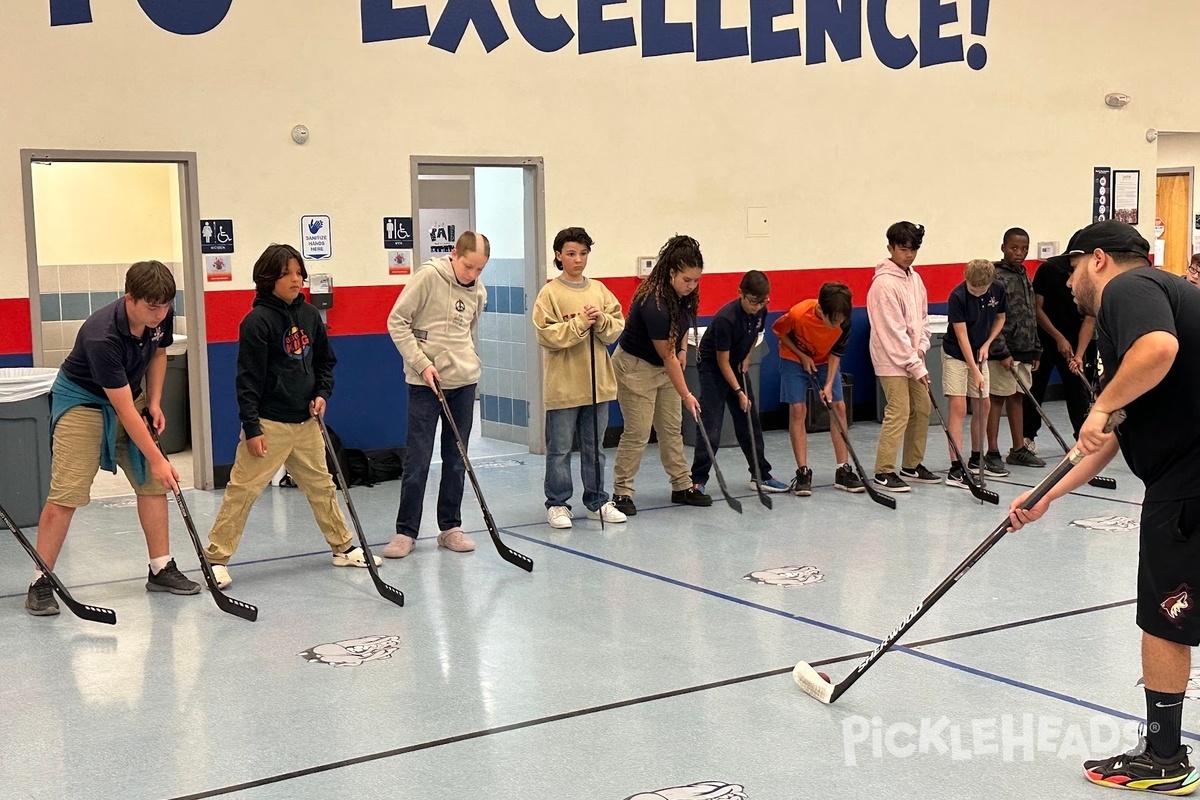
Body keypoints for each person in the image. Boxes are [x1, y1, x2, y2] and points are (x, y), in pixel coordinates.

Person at [1010, 221, 1200, 793]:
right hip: (1187, 475)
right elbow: (1114, 432)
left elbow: (1156, 352)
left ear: (1098, 260)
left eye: (1070, 270)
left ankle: (1164, 758)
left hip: (1188, 482)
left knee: (1165, 617)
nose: (1068, 284)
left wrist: (1098, 407)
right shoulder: (1164, 298)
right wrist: (1047, 495)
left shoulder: (1130, 289)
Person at [24, 260, 200, 616]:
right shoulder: (101, 334)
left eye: (166, 305)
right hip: (82, 400)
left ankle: (160, 568)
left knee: (152, 483)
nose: (160, 313)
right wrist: (158, 458)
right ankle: (41, 581)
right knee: (68, 491)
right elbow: (123, 411)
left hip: (130, 396)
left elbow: (159, 352)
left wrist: (153, 400)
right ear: (130, 298)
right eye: (152, 306)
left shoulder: (160, 313)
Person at [202, 244, 379, 587]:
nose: (296, 279)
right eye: (287, 274)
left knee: (322, 486)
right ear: (268, 278)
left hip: (307, 423)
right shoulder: (256, 322)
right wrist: (252, 427)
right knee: (243, 490)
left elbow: (325, 362)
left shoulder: (311, 316)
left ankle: (342, 547)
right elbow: (248, 379)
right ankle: (216, 559)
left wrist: (321, 394)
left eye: (299, 272)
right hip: (269, 424)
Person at [383, 231, 490, 558]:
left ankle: (450, 527)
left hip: (463, 382)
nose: (472, 275)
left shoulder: (479, 292)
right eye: (468, 266)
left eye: (479, 270)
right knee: (418, 457)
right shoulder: (428, 277)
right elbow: (396, 321)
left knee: (457, 458)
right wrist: (421, 363)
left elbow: (467, 334)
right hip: (424, 383)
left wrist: (465, 364)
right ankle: (406, 532)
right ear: (455, 254)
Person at [532, 227, 627, 530]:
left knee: (594, 447)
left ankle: (597, 501)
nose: (578, 260)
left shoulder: (599, 290)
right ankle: (558, 503)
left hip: (597, 385)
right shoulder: (550, 294)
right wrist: (578, 326)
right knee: (559, 449)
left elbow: (615, 328)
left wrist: (600, 320)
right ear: (559, 256)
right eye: (571, 254)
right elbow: (546, 335)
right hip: (563, 386)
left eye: (583, 253)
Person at [610, 235, 708, 516]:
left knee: (670, 428)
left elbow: (681, 329)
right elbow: (666, 357)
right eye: (687, 280)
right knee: (638, 432)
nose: (692, 286)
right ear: (672, 272)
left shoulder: (683, 296)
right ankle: (622, 492)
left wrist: (682, 349)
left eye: (696, 280)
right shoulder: (654, 302)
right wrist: (687, 394)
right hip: (635, 368)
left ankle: (681, 485)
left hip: (665, 367)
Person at [690, 270, 787, 497]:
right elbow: (722, 361)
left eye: (762, 302)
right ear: (740, 293)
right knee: (711, 427)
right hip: (714, 367)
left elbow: (756, 334)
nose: (757, 307)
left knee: (749, 423)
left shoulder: (762, 309)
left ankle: (760, 474)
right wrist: (738, 391)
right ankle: (697, 480)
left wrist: (746, 357)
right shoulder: (726, 319)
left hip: (736, 363)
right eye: (753, 302)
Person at [772, 281, 864, 495]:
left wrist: (829, 385)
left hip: (825, 360)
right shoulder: (798, 314)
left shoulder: (844, 321)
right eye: (834, 320)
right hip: (793, 358)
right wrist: (802, 356)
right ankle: (803, 472)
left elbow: (836, 354)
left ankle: (843, 470)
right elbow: (780, 333)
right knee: (798, 409)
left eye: (841, 320)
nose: (838, 324)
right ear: (822, 310)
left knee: (838, 406)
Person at [867, 221, 938, 493]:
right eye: (903, 249)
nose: (908, 255)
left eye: (913, 249)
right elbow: (892, 333)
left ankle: (911, 465)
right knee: (899, 411)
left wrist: (921, 347)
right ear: (890, 248)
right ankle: (883, 471)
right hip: (891, 360)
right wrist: (914, 363)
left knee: (921, 409)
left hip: (912, 357)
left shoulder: (915, 279)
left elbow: (922, 318)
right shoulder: (883, 285)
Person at [940, 259, 1006, 489]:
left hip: (980, 351)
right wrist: (976, 370)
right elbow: (961, 337)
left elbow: (1001, 318)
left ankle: (976, 458)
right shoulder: (957, 296)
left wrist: (988, 343)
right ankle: (956, 467)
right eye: (972, 288)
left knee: (983, 405)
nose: (976, 292)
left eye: (981, 289)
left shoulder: (998, 289)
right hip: (957, 353)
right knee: (958, 407)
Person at [984, 227, 1044, 474]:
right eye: (1014, 248)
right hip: (1002, 352)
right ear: (1003, 248)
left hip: (1024, 349)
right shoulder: (996, 278)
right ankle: (992, 451)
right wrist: (1001, 351)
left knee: (1018, 397)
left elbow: (1031, 314)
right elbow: (991, 319)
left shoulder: (1024, 275)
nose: (1020, 253)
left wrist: (1036, 349)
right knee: (996, 398)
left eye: (1025, 249)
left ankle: (1018, 448)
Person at [1022, 253, 1097, 449]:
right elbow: (1037, 309)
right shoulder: (1049, 269)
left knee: (1077, 389)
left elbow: (1090, 318)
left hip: (1075, 339)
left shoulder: (1094, 275)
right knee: (1035, 387)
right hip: (1044, 338)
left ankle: (1082, 439)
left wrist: (1079, 354)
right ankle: (1026, 437)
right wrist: (1058, 338)